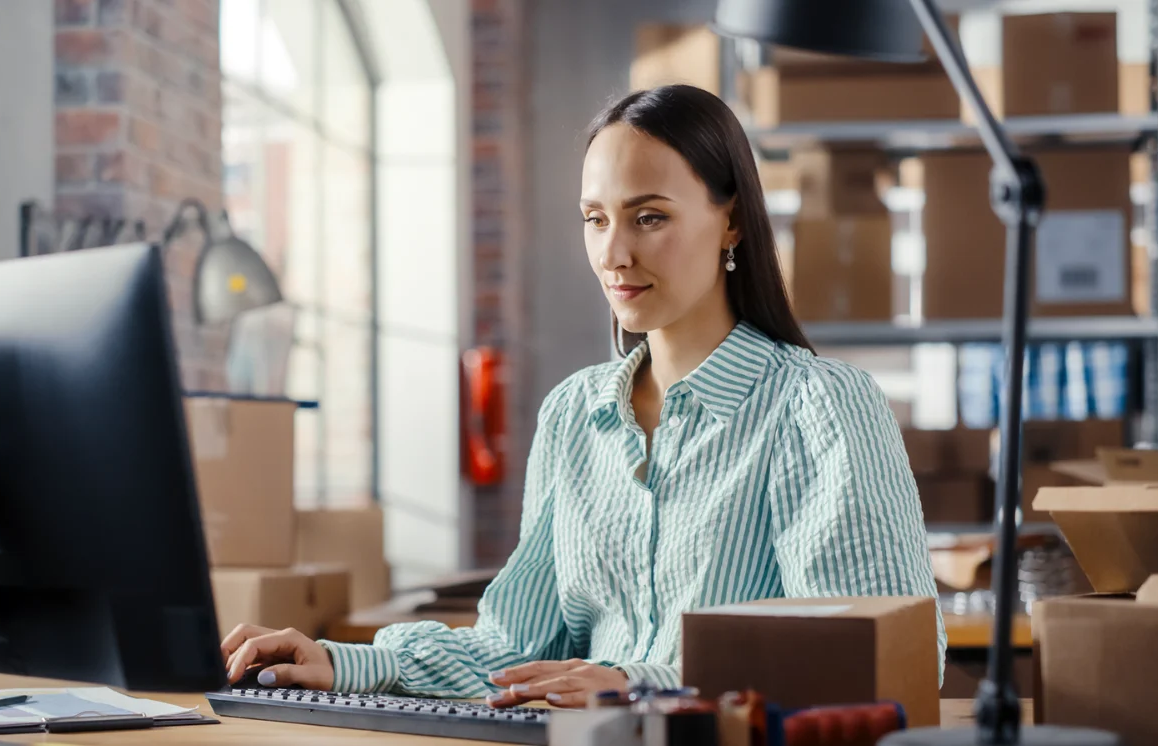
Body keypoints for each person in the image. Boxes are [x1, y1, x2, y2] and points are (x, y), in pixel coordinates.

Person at [221, 84, 944, 709]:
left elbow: (868, 658)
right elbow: (516, 648)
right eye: (596, 219)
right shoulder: (575, 414)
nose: (613, 253)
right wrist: (344, 663)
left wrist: (638, 686)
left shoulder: (817, 408)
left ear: (732, 220)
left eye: (649, 217)